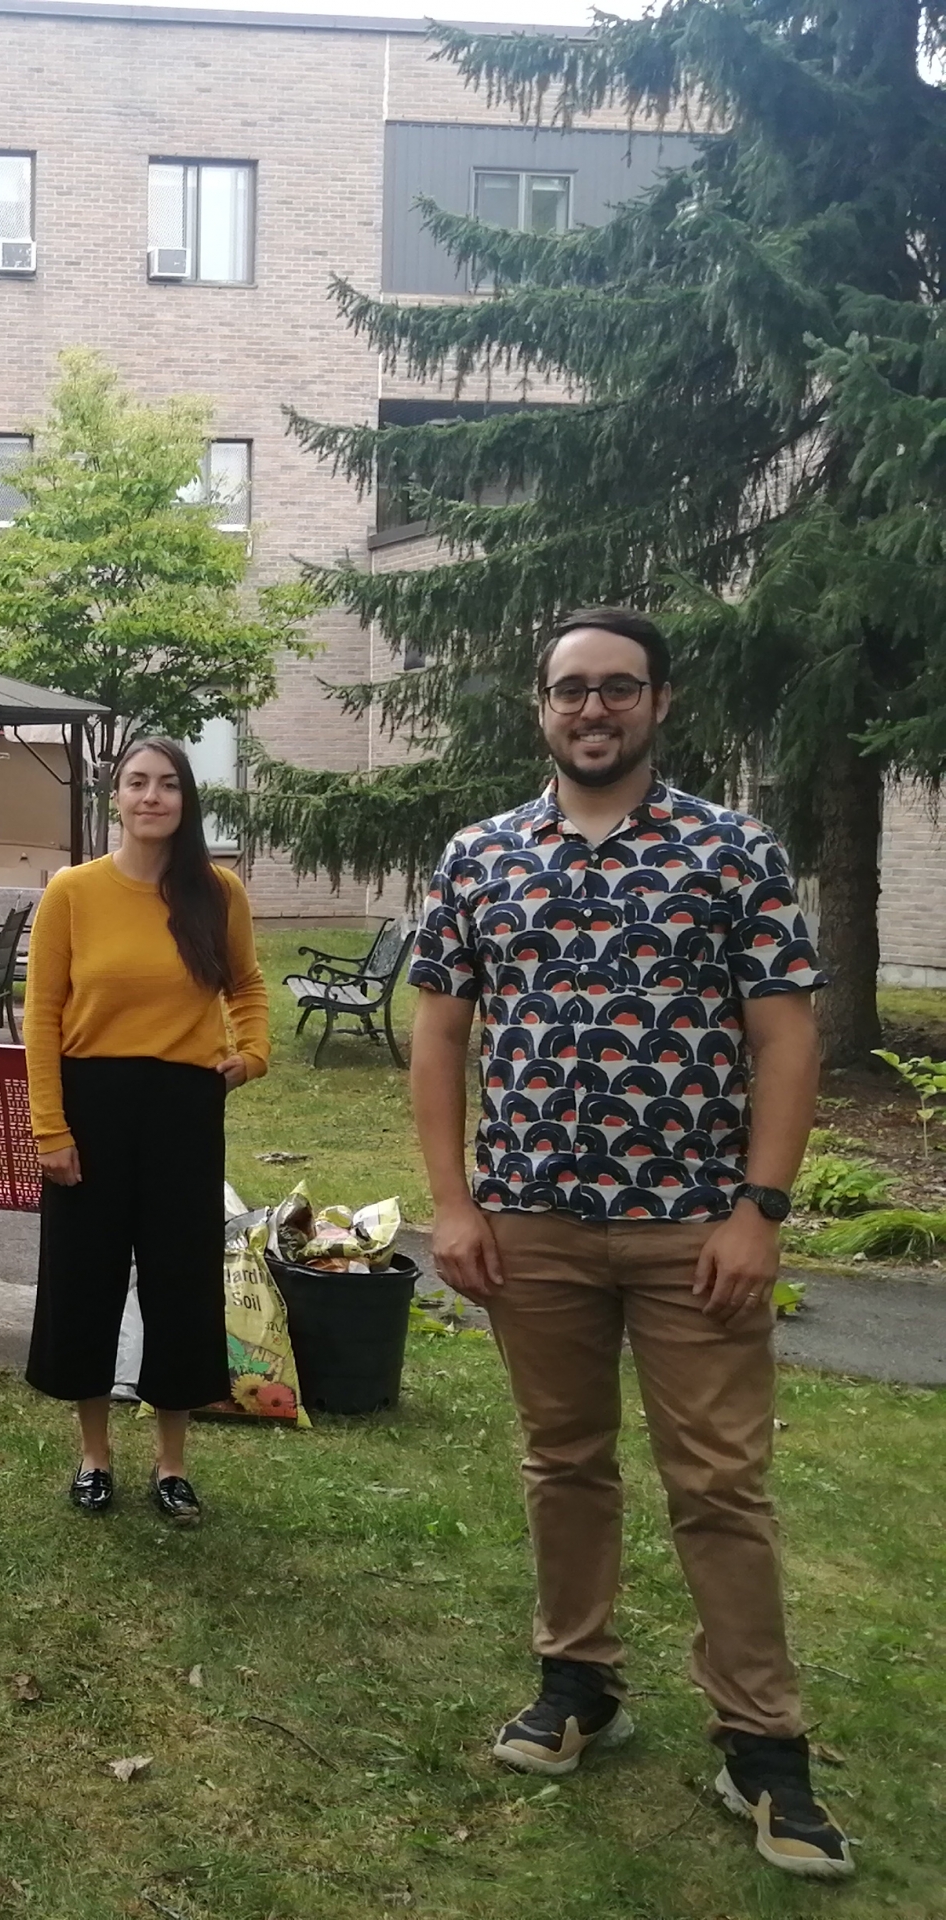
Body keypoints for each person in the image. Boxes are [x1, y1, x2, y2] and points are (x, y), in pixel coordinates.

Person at [408, 608, 853, 1880]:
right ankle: (577, 1680)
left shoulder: (730, 851)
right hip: (529, 1224)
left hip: (694, 1233)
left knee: (718, 1482)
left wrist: (759, 1210)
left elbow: (783, 1038)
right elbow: (440, 1038)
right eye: (568, 691)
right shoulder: (482, 856)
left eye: (616, 690)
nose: (590, 710)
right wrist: (452, 1202)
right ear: (538, 707)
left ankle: (761, 1746)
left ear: (659, 703)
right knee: (563, 1461)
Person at [22, 737, 269, 1526]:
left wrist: (252, 1053)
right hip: (91, 1105)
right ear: (114, 797)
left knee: (179, 1282)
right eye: (137, 783)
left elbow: (247, 981)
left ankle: (171, 1463)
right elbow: (44, 1013)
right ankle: (94, 1455)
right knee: (85, 1279)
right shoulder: (72, 891)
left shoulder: (216, 891)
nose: (152, 797)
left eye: (167, 784)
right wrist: (50, 1126)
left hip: (182, 1110)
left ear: (186, 799)